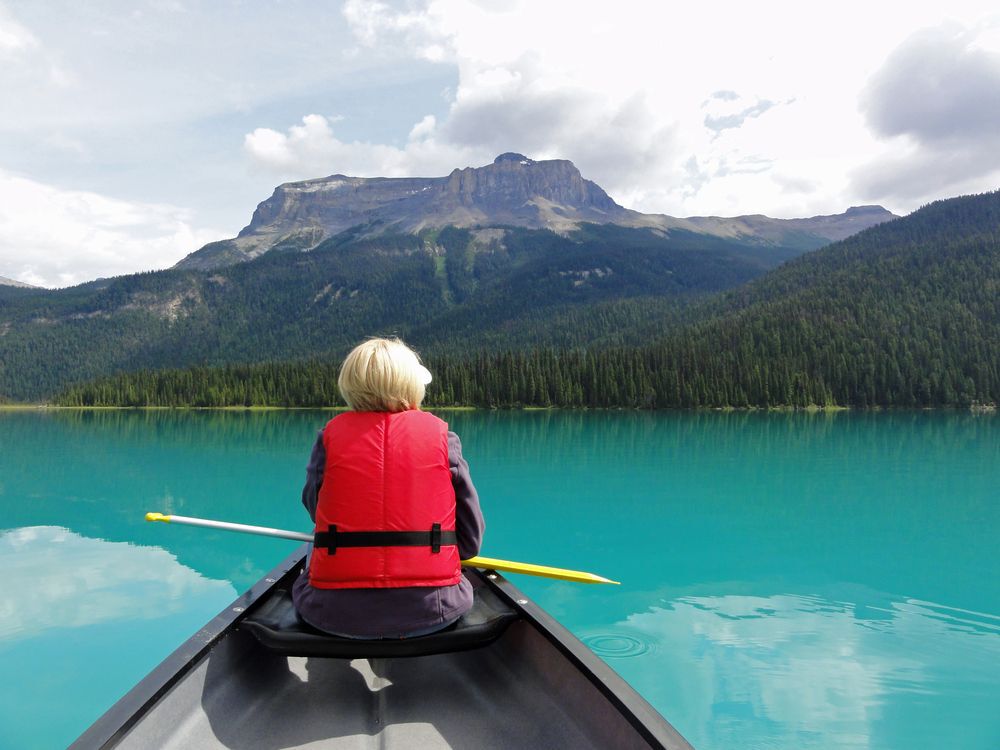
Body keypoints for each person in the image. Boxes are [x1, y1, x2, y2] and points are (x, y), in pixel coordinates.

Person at [292, 337, 485, 638]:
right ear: (412, 385)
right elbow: (470, 542)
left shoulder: (328, 439)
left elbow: (316, 511)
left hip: (331, 613)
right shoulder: (444, 440)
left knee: (315, 541)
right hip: (436, 611)